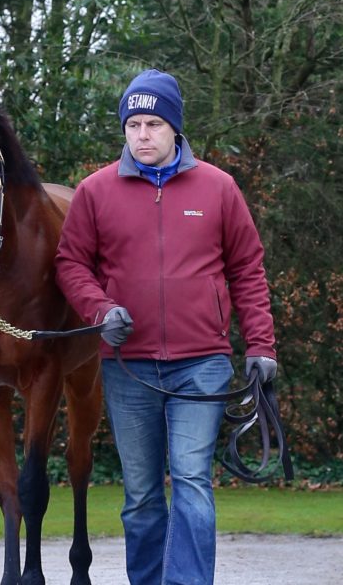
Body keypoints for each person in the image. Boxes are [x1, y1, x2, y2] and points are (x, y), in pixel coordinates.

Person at [55, 68, 277, 585]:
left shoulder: (219, 188)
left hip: (202, 364)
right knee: (142, 496)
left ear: (175, 126)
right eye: (133, 124)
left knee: (193, 480)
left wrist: (261, 344)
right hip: (128, 368)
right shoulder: (95, 191)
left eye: (154, 123)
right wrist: (100, 311)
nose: (142, 134)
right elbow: (70, 264)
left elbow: (248, 269)